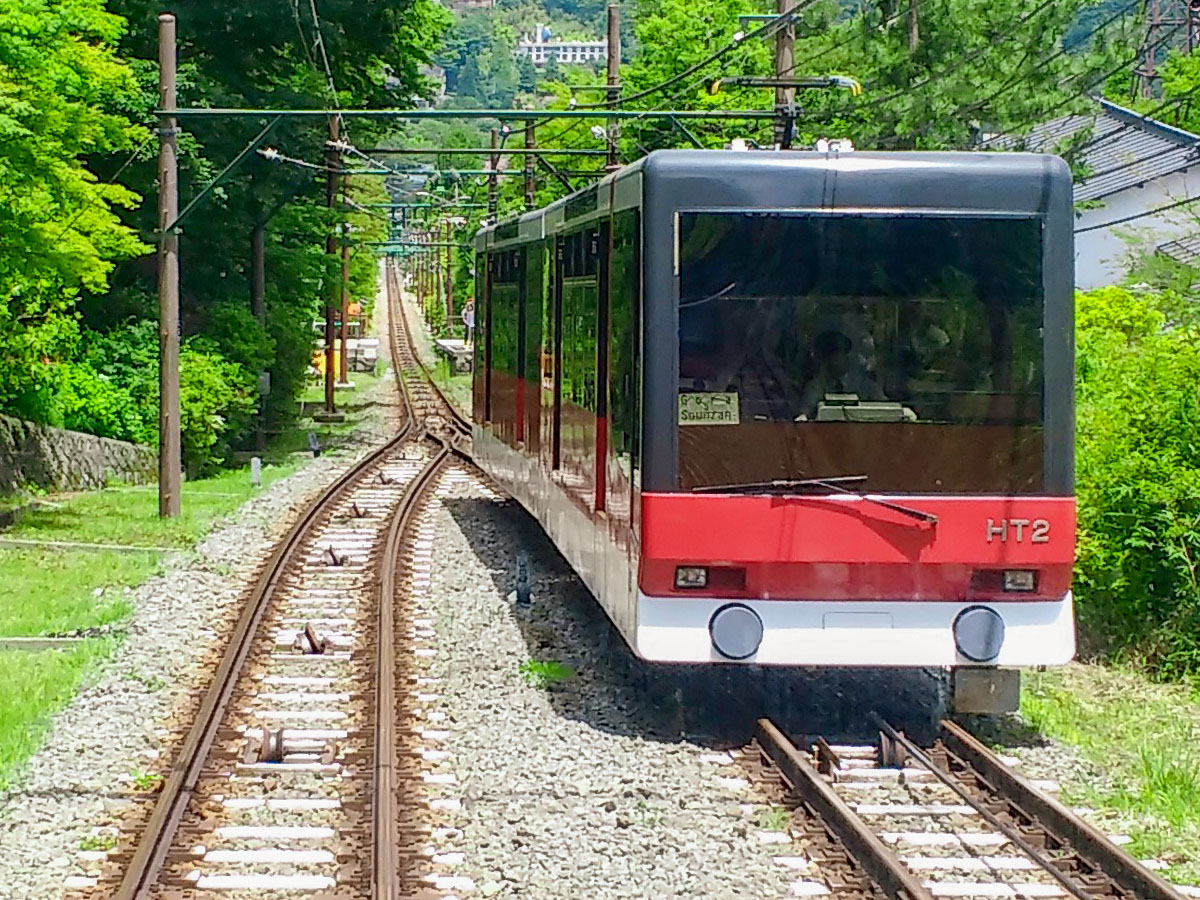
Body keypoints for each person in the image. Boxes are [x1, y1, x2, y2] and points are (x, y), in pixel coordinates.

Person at [798, 329, 885, 419]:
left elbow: (887, 409)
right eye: (833, 352)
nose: (839, 357)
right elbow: (805, 411)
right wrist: (803, 416)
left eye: (845, 351)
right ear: (824, 357)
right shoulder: (816, 386)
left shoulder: (864, 385)